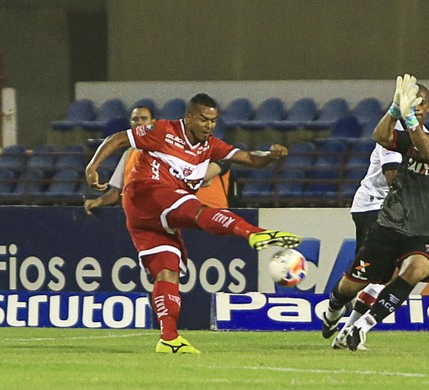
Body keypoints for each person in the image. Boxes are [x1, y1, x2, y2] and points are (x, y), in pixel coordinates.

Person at [85, 93, 301, 354]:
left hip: (149, 217)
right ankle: (254, 233)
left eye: (213, 120)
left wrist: (270, 155)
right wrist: (92, 166)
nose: (209, 125)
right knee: (195, 209)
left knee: (167, 271)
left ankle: (169, 338)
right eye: (203, 119)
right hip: (147, 193)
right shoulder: (163, 130)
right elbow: (118, 138)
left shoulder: (211, 146)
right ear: (188, 117)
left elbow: (249, 158)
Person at [320, 74, 429, 351]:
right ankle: (334, 308)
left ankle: (361, 327)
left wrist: (411, 120)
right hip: (390, 225)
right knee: (351, 286)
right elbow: (380, 136)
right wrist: (394, 111)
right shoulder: (416, 139)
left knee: (415, 270)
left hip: (427, 230)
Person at [326, 84, 429, 350]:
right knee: (367, 276)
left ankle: (348, 331)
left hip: (400, 212)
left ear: (427, 108)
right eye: (410, 103)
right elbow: (393, 177)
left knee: (392, 274)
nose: (415, 109)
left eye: (420, 104)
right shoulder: (393, 133)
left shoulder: (424, 137)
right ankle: (334, 307)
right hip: (372, 206)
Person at [84, 105, 229, 214]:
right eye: (135, 119)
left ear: (153, 122)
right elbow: (116, 192)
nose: (139, 123)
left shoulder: (172, 147)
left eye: (144, 119)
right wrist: (98, 201)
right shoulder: (129, 153)